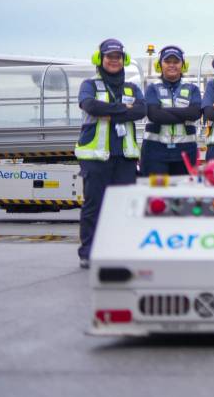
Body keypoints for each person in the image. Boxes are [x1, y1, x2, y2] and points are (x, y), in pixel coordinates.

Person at [75, 39, 146, 269]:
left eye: (118, 57)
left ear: (124, 60)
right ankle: (88, 252)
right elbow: (91, 106)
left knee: (124, 208)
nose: (114, 61)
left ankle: (120, 251)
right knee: (94, 206)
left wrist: (110, 112)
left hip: (124, 157)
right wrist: (124, 109)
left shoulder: (132, 88)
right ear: (100, 59)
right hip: (95, 157)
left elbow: (141, 111)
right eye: (109, 56)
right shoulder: (89, 85)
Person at [140, 45, 201, 177]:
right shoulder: (152, 88)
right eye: (167, 61)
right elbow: (155, 115)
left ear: (183, 65)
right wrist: (185, 114)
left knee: (184, 189)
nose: (172, 65)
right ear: (159, 65)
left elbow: (195, 113)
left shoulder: (193, 89)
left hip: (186, 151)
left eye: (176, 61)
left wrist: (164, 111)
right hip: (155, 151)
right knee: (156, 190)